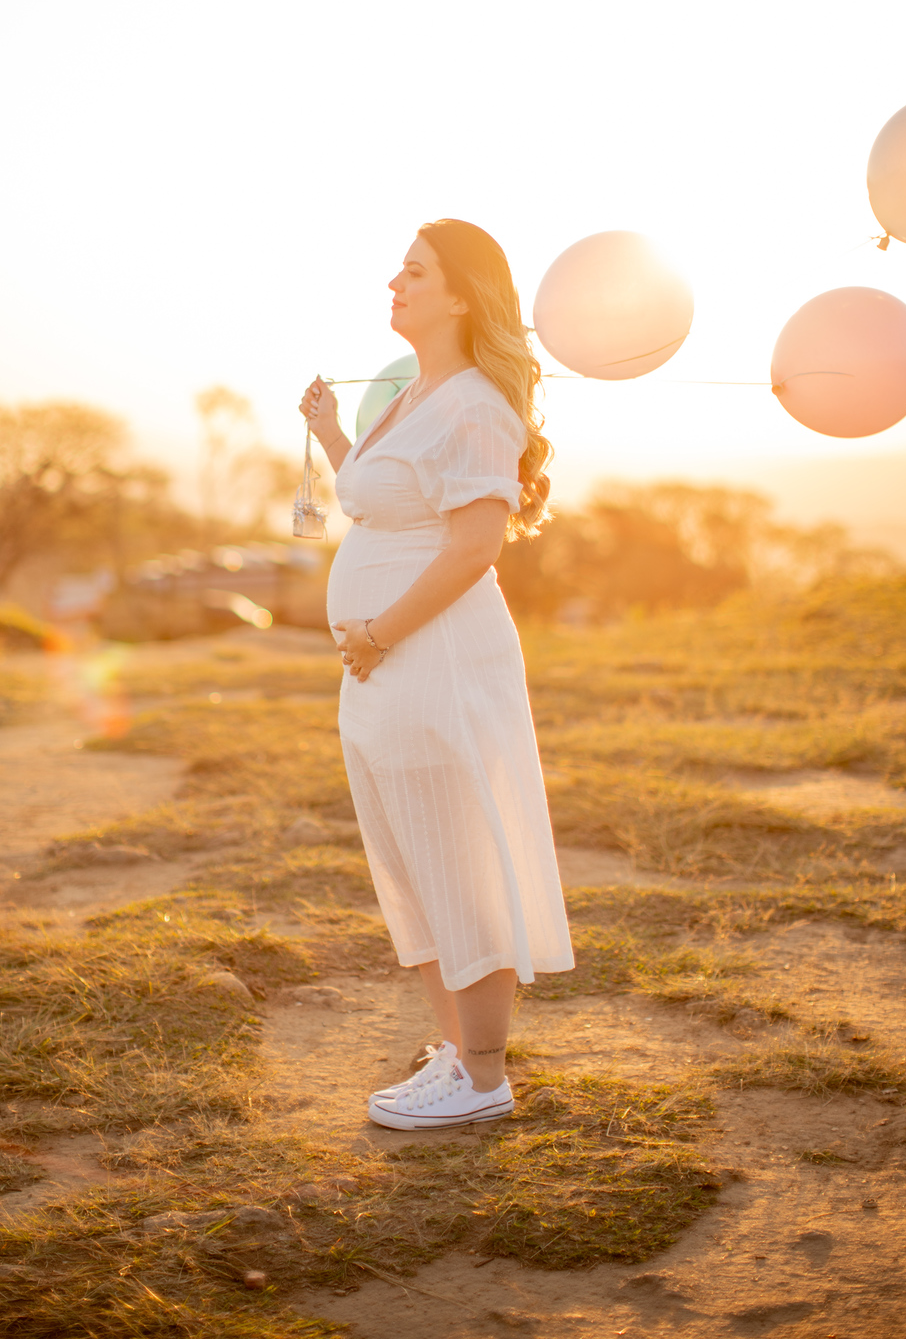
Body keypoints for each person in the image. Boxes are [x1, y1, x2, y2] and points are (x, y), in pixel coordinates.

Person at [298, 218, 574, 1131]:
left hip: (433, 659)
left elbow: (473, 546)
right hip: (381, 668)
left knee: (456, 859)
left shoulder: (475, 407)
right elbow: (387, 503)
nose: (395, 283)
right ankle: (457, 1053)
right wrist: (332, 434)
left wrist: (379, 633)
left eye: (414, 272)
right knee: (413, 858)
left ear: (461, 295)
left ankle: (484, 1080)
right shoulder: (413, 394)